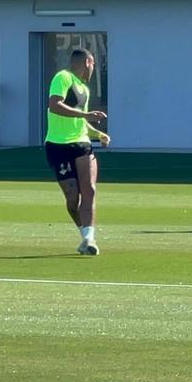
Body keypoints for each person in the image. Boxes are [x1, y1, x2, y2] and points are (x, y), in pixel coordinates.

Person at [45, 48, 111, 256]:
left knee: (89, 189)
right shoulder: (63, 77)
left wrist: (97, 134)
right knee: (72, 197)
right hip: (58, 145)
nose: (93, 70)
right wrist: (86, 114)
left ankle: (89, 239)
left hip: (82, 144)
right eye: (93, 65)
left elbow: (80, 121)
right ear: (88, 62)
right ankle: (83, 233)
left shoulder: (84, 89)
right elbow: (54, 105)